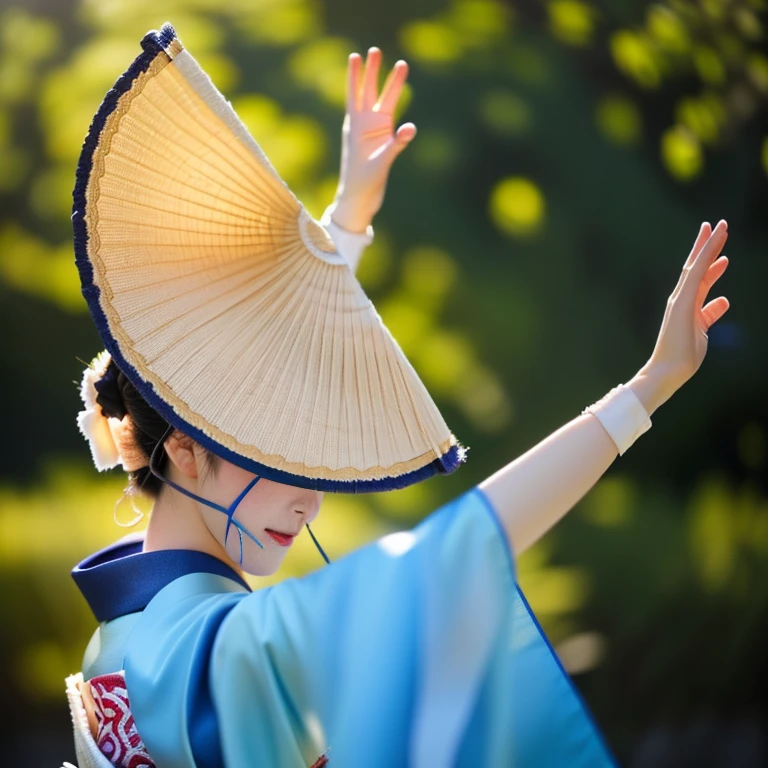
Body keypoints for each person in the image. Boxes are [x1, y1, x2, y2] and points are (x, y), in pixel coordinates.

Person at [63, 23, 730, 768]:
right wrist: (645, 390)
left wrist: (347, 218)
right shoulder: (236, 652)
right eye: (283, 461)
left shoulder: (123, 637)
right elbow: (465, 545)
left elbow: (271, 371)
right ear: (184, 449)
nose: (310, 499)